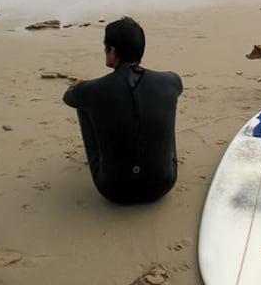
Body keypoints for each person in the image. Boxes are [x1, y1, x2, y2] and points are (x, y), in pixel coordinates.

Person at [63, 16, 183, 204]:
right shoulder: (170, 81)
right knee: (166, 101)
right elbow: (177, 87)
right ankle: (157, 160)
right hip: (163, 184)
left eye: (106, 47)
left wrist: (87, 89)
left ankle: (105, 159)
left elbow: (68, 97)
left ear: (112, 51)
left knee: (83, 107)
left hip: (114, 190)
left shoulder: (91, 90)